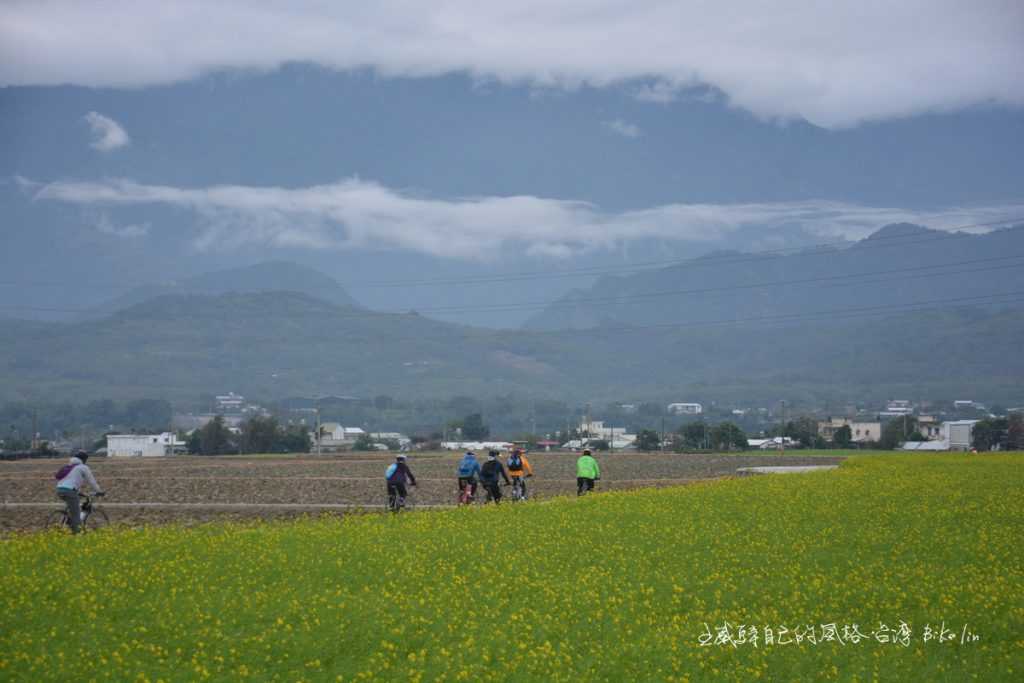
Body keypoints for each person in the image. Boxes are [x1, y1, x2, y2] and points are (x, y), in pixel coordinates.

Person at [54, 450, 104, 534]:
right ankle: (77, 534)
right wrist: (99, 491)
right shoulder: (83, 467)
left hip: (60, 489)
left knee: (72, 508)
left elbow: (70, 480)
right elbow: (92, 481)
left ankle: (68, 522)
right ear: (84, 459)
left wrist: (79, 492)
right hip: (69, 491)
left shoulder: (69, 466)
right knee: (76, 513)